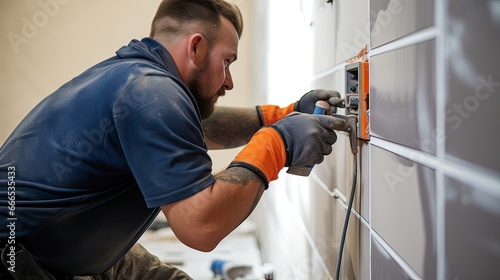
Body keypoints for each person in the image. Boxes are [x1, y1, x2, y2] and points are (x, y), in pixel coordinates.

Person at [0, 0, 343, 279]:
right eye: (227, 62)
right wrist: (277, 144)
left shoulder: (137, 78)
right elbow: (201, 225)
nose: (229, 82)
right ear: (196, 47)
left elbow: (185, 129)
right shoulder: (152, 91)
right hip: (18, 261)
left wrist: (282, 116)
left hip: (58, 245)